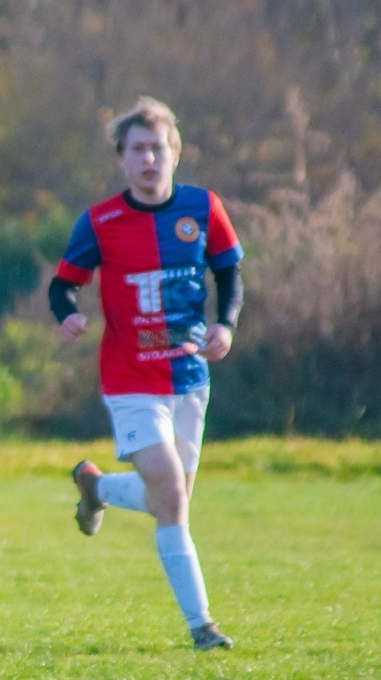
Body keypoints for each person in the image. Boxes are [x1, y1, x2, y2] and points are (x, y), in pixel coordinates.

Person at [48, 96, 244, 651]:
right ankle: (202, 626)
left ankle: (97, 487)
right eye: (138, 149)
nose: (150, 158)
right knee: (172, 495)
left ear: (175, 153)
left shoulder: (204, 209)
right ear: (123, 159)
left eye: (158, 148)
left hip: (189, 379)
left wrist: (225, 326)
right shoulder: (101, 221)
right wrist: (68, 315)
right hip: (130, 378)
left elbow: (230, 275)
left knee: (168, 497)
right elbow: (62, 283)